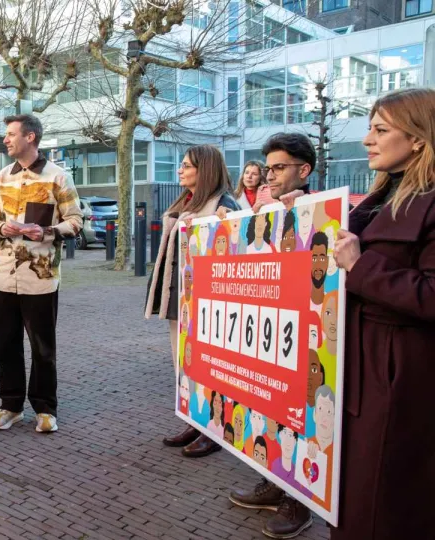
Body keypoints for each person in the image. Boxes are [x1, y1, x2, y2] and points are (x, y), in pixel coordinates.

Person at [331, 88, 435, 539]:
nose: (367, 139)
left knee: (378, 498)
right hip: (355, 365)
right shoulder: (377, 198)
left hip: (396, 374)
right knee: (350, 492)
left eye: (380, 129)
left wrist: (362, 267)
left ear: (417, 138)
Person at [229, 131, 318, 539]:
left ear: (304, 170)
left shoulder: (324, 209)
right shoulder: (266, 211)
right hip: (270, 334)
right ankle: (274, 482)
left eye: (279, 168)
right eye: (268, 168)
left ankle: (301, 502)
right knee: (270, 414)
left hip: (304, 339)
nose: (270, 175)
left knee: (302, 419)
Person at [0, 114, 83, 434]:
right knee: (6, 345)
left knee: (43, 348)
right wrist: (1, 227)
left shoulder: (58, 177)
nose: (6, 139)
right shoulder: (1, 177)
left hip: (40, 278)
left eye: (11, 134)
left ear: (30, 137)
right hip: (4, 276)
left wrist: (49, 232)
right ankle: (11, 406)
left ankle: (45, 408)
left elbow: (76, 221)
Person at [146, 145, 239, 456]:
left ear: (205, 169)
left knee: (208, 367)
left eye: (186, 166)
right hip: (181, 297)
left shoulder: (224, 204)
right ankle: (195, 420)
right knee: (184, 364)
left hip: (205, 302)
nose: (180, 170)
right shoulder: (187, 201)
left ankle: (214, 429)